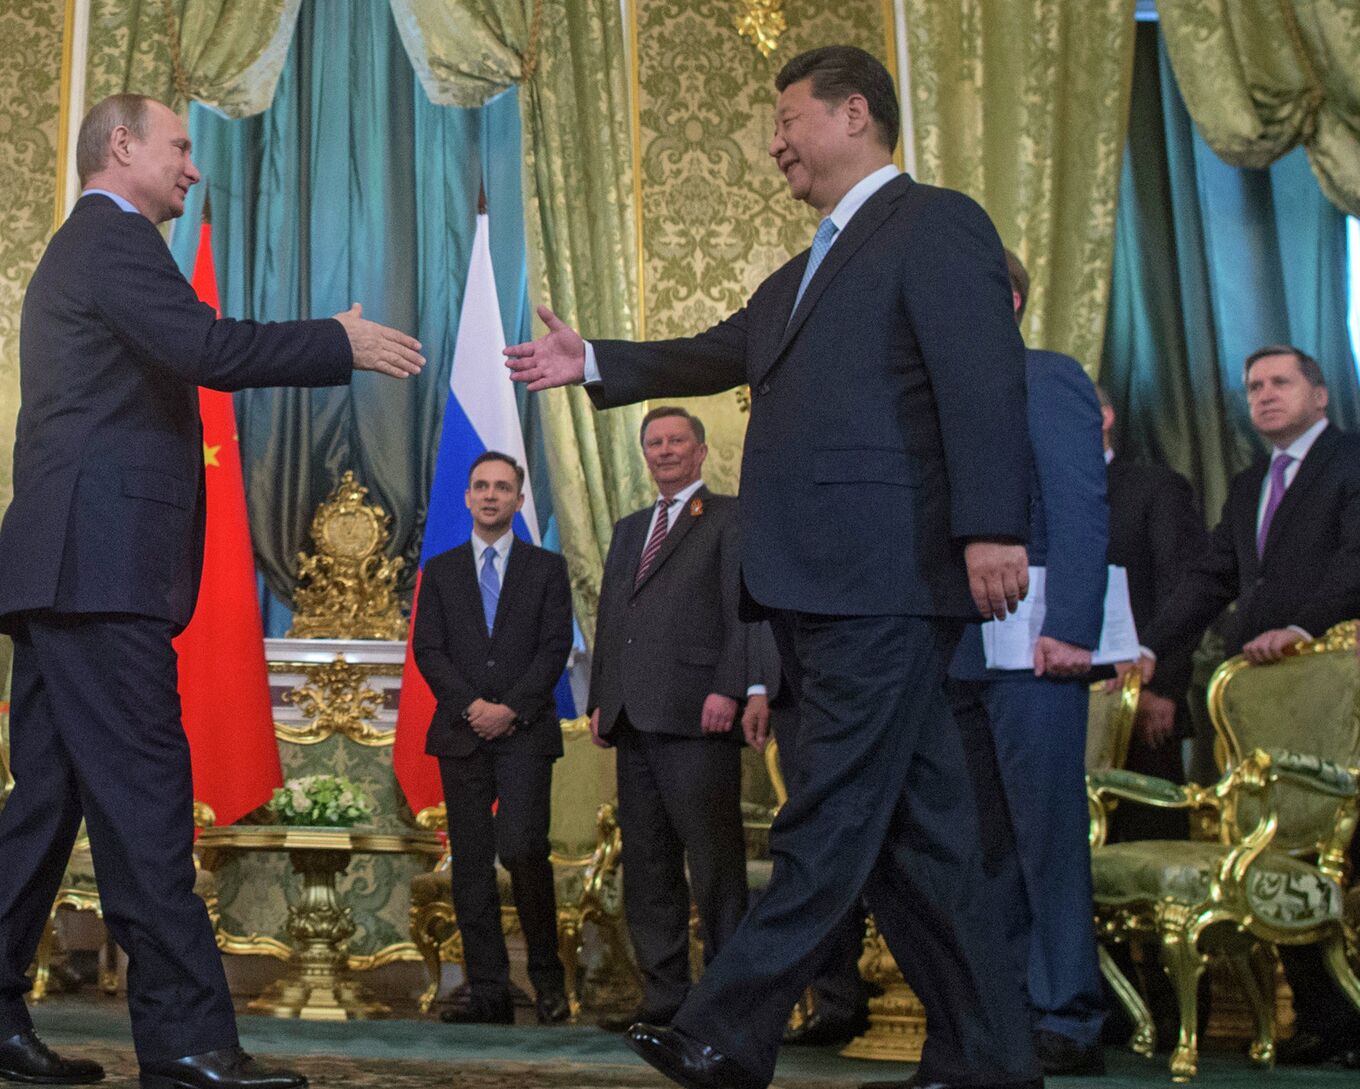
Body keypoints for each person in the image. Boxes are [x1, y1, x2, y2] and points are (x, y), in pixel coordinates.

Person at [506, 44, 1040, 1089]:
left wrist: (992, 529)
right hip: (821, 583)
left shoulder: (936, 224)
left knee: (828, 813)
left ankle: (725, 1029)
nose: (775, 143)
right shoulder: (807, 269)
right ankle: (989, 1056)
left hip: (886, 577)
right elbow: (722, 347)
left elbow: (983, 382)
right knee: (919, 838)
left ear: (853, 114)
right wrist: (595, 361)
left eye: (789, 119)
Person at [0, 93, 422, 1089]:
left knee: (46, 807)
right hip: (100, 572)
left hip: (75, 570)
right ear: (121, 146)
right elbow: (209, 350)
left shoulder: (95, 247)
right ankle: (189, 1043)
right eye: (181, 147)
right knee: (150, 803)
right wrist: (336, 339)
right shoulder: (110, 241)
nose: (193, 169)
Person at [1132, 345, 1360, 1067]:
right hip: (1261, 703)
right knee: (1271, 843)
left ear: (1319, 395)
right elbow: (1211, 577)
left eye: (1280, 382)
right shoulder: (1250, 482)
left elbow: (1356, 560)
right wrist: (1149, 647)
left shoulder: (1351, 463)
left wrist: (1303, 627)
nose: (1264, 394)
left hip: (1334, 690)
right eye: (1254, 385)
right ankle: (1323, 1020)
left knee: (1339, 848)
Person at [945, 251, 1110, 1074]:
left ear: (1006, 300)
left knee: (1046, 833)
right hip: (957, 651)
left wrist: (1073, 626)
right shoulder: (938, 391)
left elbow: (1079, 502)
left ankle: (1069, 1014)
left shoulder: (1047, 376)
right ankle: (1009, 1006)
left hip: (1038, 644)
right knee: (984, 842)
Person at [588, 407, 778, 1035]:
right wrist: (601, 698)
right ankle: (664, 995)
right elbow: (612, 618)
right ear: (645, 455)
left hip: (698, 715)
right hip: (631, 718)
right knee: (648, 865)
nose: (665, 451)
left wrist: (732, 686)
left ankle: (725, 1000)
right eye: (654, 443)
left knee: (714, 863)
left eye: (676, 441)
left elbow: (743, 608)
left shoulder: (727, 516)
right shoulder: (629, 529)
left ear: (700, 451)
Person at [409, 451, 574, 1026]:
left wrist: (510, 710)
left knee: (524, 849)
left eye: (502, 487)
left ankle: (548, 983)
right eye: (480, 486)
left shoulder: (547, 568)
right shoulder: (442, 570)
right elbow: (428, 649)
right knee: (472, 864)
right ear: (467, 497)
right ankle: (488, 992)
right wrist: (473, 707)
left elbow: (554, 647)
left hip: (525, 732)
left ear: (519, 500)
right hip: (462, 733)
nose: (490, 495)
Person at [1097, 387, 1203, 841]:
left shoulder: (1153, 487)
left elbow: (1182, 588)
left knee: (1148, 838)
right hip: (1062, 696)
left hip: (1141, 695)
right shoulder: (1035, 493)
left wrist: (1162, 686)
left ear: (1105, 416)